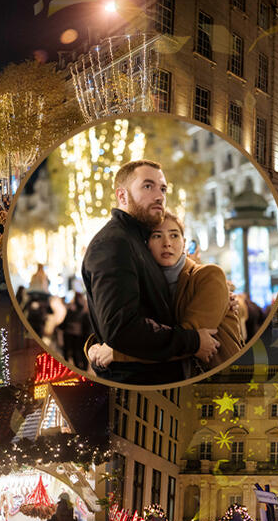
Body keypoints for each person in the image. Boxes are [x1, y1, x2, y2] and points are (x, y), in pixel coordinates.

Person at [80, 160, 217, 384]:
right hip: (138, 385)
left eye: (162, 188)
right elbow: (121, 328)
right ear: (122, 196)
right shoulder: (114, 244)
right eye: (148, 186)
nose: (159, 196)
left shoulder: (137, 240)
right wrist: (192, 341)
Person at [87, 213, 244, 377]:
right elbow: (131, 327)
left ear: (183, 243)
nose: (167, 243)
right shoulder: (144, 285)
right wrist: (94, 347)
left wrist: (116, 352)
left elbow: (190, 338)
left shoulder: (208, 275)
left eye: (174, 235)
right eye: (157, 236)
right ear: (145, 245)